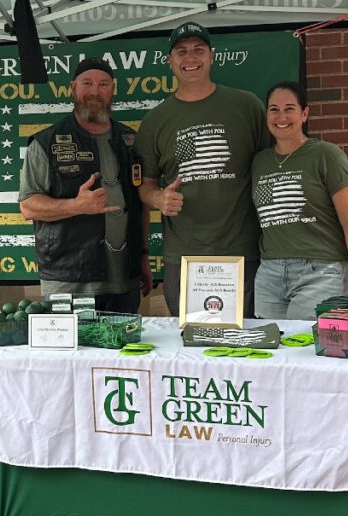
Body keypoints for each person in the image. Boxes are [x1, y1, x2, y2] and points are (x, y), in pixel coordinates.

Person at [135, 21, 272, 319]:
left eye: (199, 50)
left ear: (211, 56)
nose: (191, 58)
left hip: (242, 250)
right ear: (170, 61)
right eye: (181, 51)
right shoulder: (155, 120)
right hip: (183, 255)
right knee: (190, 348)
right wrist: (158, 199)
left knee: (243, 344)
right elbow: (145, 185)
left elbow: (277, 163)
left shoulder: (247, 106)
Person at [18, 57, 151, 314]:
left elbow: (141, 206)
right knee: (70, 355)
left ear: (112, 89)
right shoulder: (46, 143)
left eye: (103, 84)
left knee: (124, 354)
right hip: (69, 284)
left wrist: (143, 257)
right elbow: (28, 206)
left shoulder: (131, 141)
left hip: (125, 281)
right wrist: (76, 206)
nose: (95, 91)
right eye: (87, 83)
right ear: (73, 88)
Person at [250, 81, 348, 320]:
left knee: (307, 350)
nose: (281, 116)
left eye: (289, 108)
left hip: (322, 273)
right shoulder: (259, 162)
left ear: (304, 113)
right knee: (271, 352)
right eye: (274, 109)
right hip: (270, 274)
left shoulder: (327, 155)